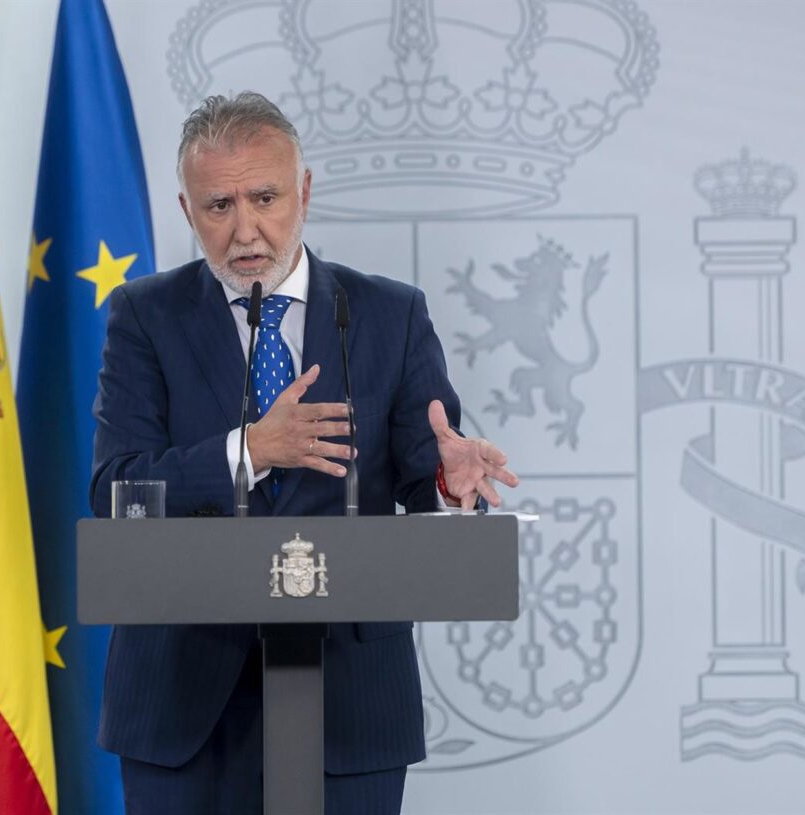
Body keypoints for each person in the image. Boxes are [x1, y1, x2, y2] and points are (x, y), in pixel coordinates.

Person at [89, 91, 518, 815]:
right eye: (219, 205)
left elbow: (426, 463)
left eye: (265, 196)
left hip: (350, 699)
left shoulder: (388, 313)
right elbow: (115, 489)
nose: (246, 228)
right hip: (183, 705)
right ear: (188, 212)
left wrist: (450, 477)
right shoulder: (144, 317)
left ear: (305, 191)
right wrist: (249, 449)